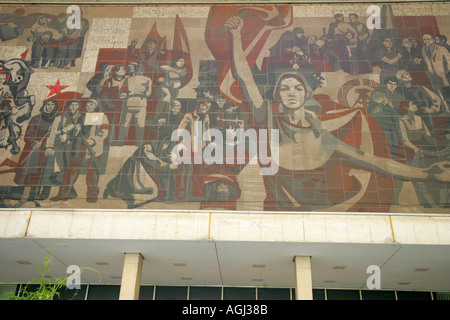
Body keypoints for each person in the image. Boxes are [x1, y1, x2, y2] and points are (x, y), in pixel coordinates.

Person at [224, 15, 450, 211]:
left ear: (306, 93)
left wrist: (427, 174)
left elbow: (377, 163)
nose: (291, 92)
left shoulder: (322, 138)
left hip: (335, 210)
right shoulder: (268, 119)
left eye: (296, 87)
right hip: (284, 215)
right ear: (278, 95)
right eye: (284, 88)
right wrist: (236, 35)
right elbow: (244, 76)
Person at [11, 99, 59, 206]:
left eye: (52, 105)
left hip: (47, 150)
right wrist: (33, 142)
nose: (50, 106)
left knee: (43, 173)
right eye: (48, 104)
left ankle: (37, 196)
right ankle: (25, 196)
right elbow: (28, 134)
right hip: (34, 149)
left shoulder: (56, 120)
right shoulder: (36, 118)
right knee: (30, 173)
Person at [45, 99, 84, 201]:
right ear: (68, 106)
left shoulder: (81, 117)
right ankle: (70, 192)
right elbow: (52, 132)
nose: (73, 107)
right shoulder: (60, 118)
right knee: (62, 169)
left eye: (76, 105)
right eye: (71, 105)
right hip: (61, 147)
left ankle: (66, 193)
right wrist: (49, 146)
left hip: (75, 147)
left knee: (70, 170)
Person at [117, 61, 152, 146]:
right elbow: (148, 93)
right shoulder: (147, 79)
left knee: (125, 123)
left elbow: (123, 91)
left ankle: (120, 142)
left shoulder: (128, 79)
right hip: (141, 102)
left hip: (130, 101)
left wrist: (126, 93)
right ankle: (139, 143)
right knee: (140, 123)